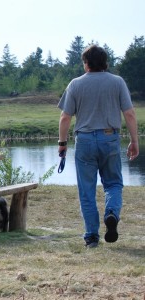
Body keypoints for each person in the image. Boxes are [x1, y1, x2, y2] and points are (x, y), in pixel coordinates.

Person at [58, 44, 139, 248]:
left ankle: (91, 237)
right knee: (113, 184)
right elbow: (129, 114)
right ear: (105, 62)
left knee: (86, 191)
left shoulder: (75, 84)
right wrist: (134, 141)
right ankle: (111, 213)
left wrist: (62, 143)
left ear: (86, 63)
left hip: (84, 140)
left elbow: (65, 117)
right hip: (109, 138)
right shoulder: (117, 82)